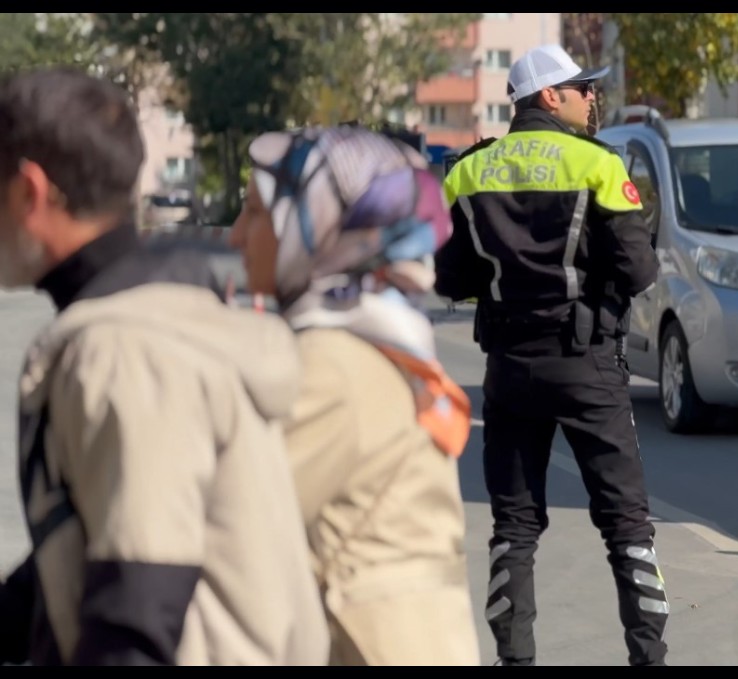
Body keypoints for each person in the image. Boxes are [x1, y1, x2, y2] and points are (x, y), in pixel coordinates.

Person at [0, 67, 328, 665]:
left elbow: (137, 609)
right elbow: (88, 543)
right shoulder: (152, 313)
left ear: (29, 192)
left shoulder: (126, 348)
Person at [435, 43, 670, 667]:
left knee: (513, 528)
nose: (593, 97)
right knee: (627, 527)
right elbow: (640, 268)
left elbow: (450, 277)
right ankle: (649, 660)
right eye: (582, 88)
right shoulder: (596, 164)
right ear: (549, 96)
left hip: (509, 368)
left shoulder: (467, 171)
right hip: (588, 363)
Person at [230, 126, 481, 666]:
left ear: (319, 225)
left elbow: (226, 523)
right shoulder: (374, 334)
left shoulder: (335, 364)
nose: (235, 236)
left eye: (255, 213)